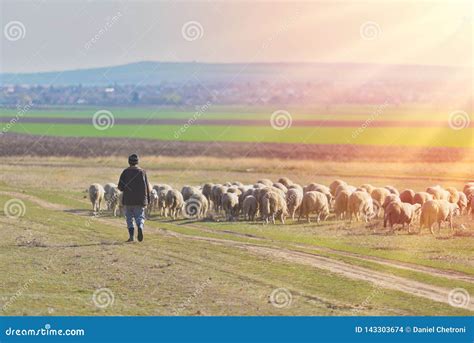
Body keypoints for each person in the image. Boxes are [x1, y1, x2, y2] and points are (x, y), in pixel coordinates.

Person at [118, 154, 151, 242]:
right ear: (137, 162)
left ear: (129, 162)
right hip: (140, 200)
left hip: (128, 200)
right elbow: (146, 187)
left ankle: (131, 237)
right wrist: (148, 199)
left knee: (129, 218)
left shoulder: (125, 172)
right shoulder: (142, 172)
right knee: (140, 216)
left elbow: (120, 187)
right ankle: (140, 227)